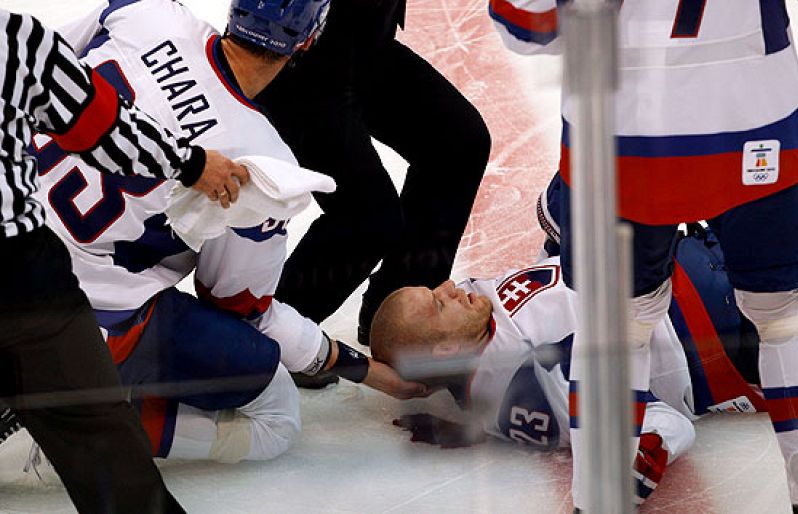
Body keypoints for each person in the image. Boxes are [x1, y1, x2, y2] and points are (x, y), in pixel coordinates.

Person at [25, 0, 426, 465]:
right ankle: (75, 420)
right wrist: (361, 368)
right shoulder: (259, 165)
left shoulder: (143, 13)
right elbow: (241, 307)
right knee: (275, 413)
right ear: (308, 39)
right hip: (79, 314)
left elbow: (28, 68)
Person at [489, 1, 798, 508]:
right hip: (758, 117)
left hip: (619, 136)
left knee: (617, 326)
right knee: (785, 314)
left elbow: (526, 25)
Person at [0, 7, 251, 513]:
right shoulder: (13, 38)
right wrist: (192, 162)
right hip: (24, 280)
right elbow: (102, 127)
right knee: (109, 454)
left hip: (31, 280)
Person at [371, 225, 766, 506]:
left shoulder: (472, 317)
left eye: (435, 289)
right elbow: (651, 426)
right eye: (439, 304)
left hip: (681, 257)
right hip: (711, 322)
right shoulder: (521, 386)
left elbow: (555, 286)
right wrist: (640, 457)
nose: (449, 289)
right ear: (445, 350)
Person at [257, 0, 491, 353]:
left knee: (458, 142)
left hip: (362, 43)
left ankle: (406, 318)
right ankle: (274, 341)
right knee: (369, 218)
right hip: (299, 61)